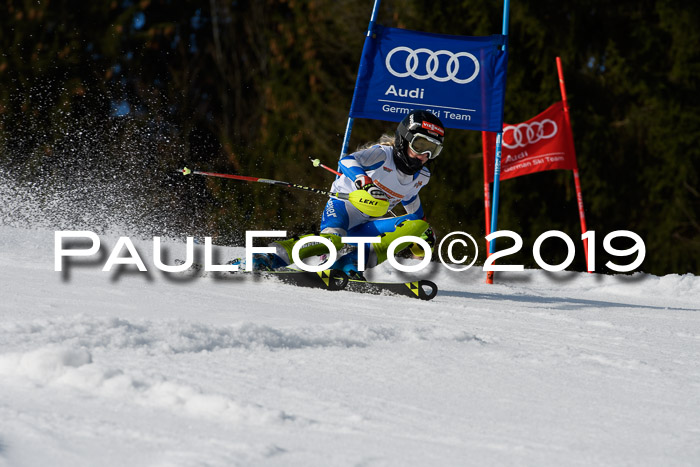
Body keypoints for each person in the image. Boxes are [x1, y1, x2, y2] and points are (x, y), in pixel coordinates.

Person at [253, 110, 444, 278]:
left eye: (432, 150)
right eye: (420, 145)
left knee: (419, 225)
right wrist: (365, 182)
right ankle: (268, 257)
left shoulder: (423, 176)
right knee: (332, 242)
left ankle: (348, 264)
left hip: (367, 225)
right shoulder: (383, 155)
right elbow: (347, 161)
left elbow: (410, 199)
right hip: (342, 209)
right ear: (405, 138)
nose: (424, 155)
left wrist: (423, 233)